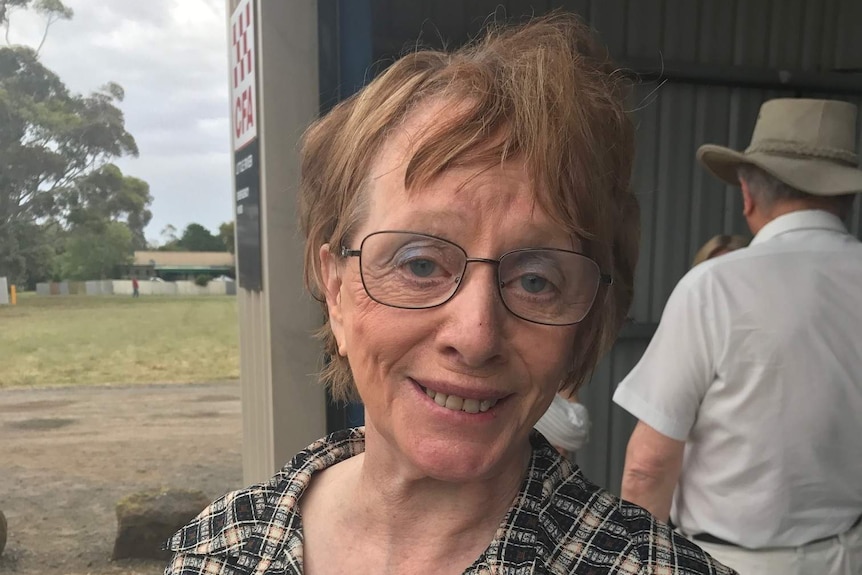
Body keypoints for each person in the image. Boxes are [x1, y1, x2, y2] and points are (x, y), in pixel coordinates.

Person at [164, 14, 733, 575]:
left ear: (586, 323)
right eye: (419, 264)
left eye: (536, 280)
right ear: (335, 288)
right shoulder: (224, 547)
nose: (476, 335)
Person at [613, 98, 862, 574]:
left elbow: (649, 467)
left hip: (728, 563)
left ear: (747, 193)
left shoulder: (717, 286)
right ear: (845, 196)